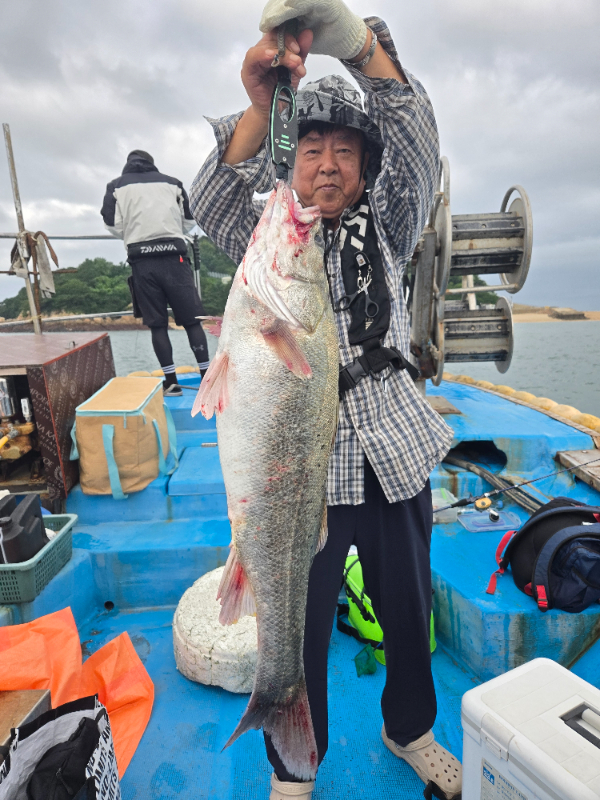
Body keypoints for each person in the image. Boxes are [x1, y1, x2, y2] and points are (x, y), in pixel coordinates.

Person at [189, 2, 459, 798]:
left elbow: (415, 131)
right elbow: (210, 197)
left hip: (393, 445)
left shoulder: (393, 220)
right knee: (295, 621)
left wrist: (356, 45)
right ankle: (294, 763)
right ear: (293, 160)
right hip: (295, 468)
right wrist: (259, 106)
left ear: (366, 168)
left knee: (408, 609)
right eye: (312, 149)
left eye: (346, 151)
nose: (329, 166)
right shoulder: (269, 231)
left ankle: (410, 728)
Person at [101, 149, 210, 396]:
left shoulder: (115, 186)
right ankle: (207, 380)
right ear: (152, 164)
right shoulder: (173, 183)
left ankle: (171, 383)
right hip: (175, 257)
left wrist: (134, 233)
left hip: (142, 261)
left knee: (158, 325)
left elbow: (112, 224)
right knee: (192, 321)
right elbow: (189, 221)